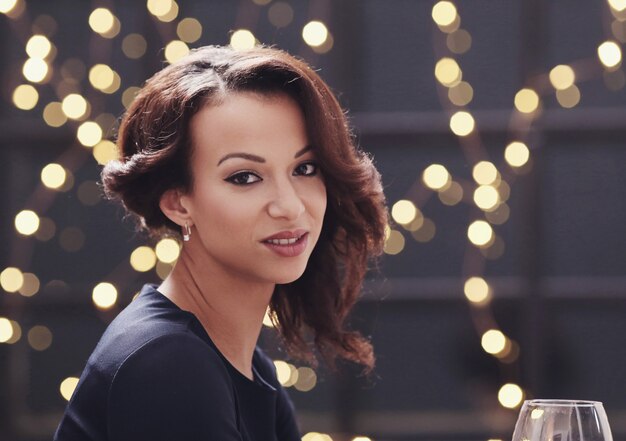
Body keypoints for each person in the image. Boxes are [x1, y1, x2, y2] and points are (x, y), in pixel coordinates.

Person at [54, 45, 387, 441]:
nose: (290, 205)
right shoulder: (168, 365)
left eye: (305, 168)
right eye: (244, 177)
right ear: (178, 202)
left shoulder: (246, 365)